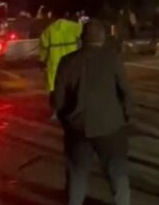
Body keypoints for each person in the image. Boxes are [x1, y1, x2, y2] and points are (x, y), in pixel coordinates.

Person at [54, 20, 133, 205]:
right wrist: (126, 116)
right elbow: (126, 91)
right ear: (102, 38)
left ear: (82, 39)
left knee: (77, 176)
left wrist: (65, 120)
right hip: (110, 127)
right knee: (118, 175)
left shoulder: (67, 61)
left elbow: (58, 100)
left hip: (78, 128)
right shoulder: (112, 58)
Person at [40, 11, 83, 118]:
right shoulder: (74, 27)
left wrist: (43, 61)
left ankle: (55, 112)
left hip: (54, 63)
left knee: (54, 88)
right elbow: (85, 35)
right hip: (71, 61)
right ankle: (72, 110)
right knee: (72, 86)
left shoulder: (48, 31)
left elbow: (43, 50)